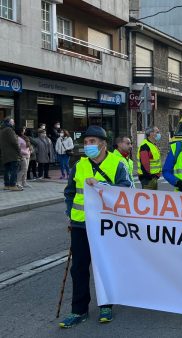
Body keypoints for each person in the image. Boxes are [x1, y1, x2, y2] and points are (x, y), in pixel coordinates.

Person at [60, 125, 134, 328]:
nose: (88, 146)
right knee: (79, 268)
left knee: (104, 267)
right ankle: (78, 310)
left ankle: (106, 305)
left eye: (92, 142)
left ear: (103, 144)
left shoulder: (117, 163)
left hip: (106, 227)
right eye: (85, 142)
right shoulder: (79, 165)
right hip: (80, 225)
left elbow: (126, 191)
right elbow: (69, 192)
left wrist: (103, 187)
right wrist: (70, 212)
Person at [1, 118, 22, 191]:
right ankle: (12, 185)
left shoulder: (2, 130)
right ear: (9, 122)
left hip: (5, 153)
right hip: (12, 153)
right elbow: (14, 142)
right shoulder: (9, 130)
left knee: (7, 170)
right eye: (12, 121)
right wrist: (19, 151)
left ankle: (7, 185)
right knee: (14, 170)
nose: (14, 123)